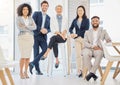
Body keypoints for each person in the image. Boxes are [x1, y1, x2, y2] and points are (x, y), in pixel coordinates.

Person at [82, 16, 111, 81]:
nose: (95, 22)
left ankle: (91, 73)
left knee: (100, 53)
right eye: (93, 21)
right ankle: (93, 73)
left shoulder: (103, 31)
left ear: (99, 22)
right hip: (89, 48)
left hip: (98, 49)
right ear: (91, 22)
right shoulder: (87, 32)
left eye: (96, 21)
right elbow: (85, 42)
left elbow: (108, 39)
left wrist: (108, 41)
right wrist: (92, 46)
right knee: (85, 53)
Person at [41, 5, 68, 69]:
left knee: (52, 39)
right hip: (57, 36)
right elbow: (52, 29)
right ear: (55, 10)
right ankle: (57, 60)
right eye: (57, 9)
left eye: (60, 9)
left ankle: (46, 54)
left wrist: (63, 33)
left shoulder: (65, 18)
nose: (59, 10)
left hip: (64, 37)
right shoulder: (52, 18)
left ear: (62, 10)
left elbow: (66, 28)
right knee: (54, 41)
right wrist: (60, 34)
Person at [29, 1, 50, 75]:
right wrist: (40, 29)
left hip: (43, 37)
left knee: (45, 50)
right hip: (35, 35)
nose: (45, 7)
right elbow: (32, 23)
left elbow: (49, 28)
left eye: (46, 6)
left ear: (48, 7)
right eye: (43, 5)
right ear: (41, 6)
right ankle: (38, 70)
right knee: (36, 53)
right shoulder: (36, 13)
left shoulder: (48, 17)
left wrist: (46, 30)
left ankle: (32, 63)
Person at [16, 3, 36, 79]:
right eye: (24, 9)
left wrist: (26, 26)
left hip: (30, 38)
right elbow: (20, 28)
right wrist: (29, 27)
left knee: (28, 57)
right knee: (23, 56)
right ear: (21, 10)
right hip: (22, 38)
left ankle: (26, 72)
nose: (25, 10)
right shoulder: (18, 18)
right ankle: (21, 72)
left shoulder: (30, 18)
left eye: (27, 9)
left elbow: (35, 27)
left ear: (29, 10)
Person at [69, 5, 89, 77]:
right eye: (78, 10)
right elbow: (70, 28)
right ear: (77, 12)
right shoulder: (75, 20)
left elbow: (86, 30)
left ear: (84, 11)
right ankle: (79, 70)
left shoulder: (87, 20)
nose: (80, 12)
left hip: (84, 39)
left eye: (81, 10)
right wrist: (71, 33)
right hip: (77, 39)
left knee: (84, 55)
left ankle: (84, 70)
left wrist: (76, 34)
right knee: (78, 55)